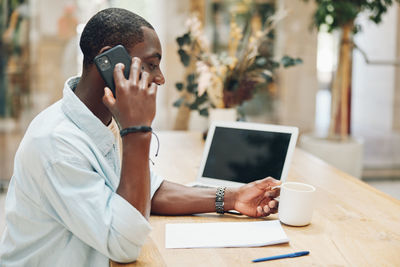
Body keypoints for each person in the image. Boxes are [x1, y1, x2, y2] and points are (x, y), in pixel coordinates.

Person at [0, 8, 280, 267]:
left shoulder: (102, 118)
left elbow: (151, 190)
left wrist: (232, 199)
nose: (160, 78)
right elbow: (124, 244)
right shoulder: (55, 144)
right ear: (109, 60)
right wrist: (137, 130)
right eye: (150, 64)